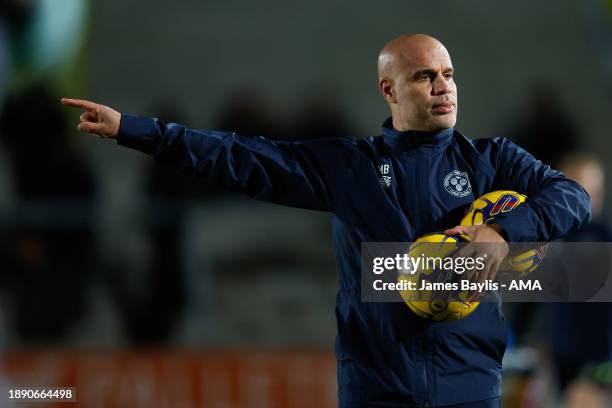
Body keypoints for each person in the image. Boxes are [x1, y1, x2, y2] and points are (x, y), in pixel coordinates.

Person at [61, 34, 590, 408]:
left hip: (471, 386)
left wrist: (500, 233)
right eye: (424, 76)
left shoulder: (493, 160)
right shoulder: (350, 166)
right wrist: (134, 129)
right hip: (376, 390)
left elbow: (573, 197)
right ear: (389, 90)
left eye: (448, 74)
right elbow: (240, 157)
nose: (442, 87)